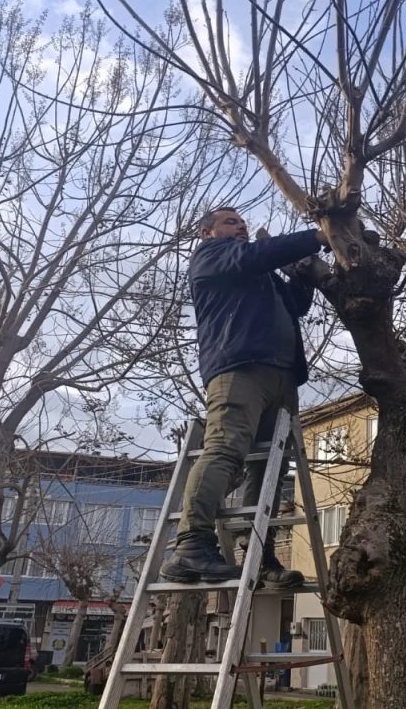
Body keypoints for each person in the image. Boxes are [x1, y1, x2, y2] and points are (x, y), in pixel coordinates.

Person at [160, 207, 327, 587]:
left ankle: (261, 558)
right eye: (231, 222)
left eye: (244, 224)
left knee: (268, 469)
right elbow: (255, 255)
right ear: (208, 232)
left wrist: (302, 273)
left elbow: (297, 305)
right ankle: (190, 546)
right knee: (225, 448)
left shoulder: (260, 272)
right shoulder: (212, 256)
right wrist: (317, 237)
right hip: (240, 369)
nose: (242, 227)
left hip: (282, 375)